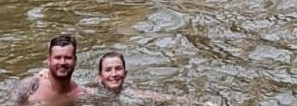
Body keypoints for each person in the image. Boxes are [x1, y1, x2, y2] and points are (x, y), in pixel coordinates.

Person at [86, 51, 216, 106]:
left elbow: (165, 97)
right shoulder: (91, 93)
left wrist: (198, 104)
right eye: (108, 70)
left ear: (125, 74)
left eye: (118, 69)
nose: (114, 74)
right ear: (100, 76)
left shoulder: (131, 92)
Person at [10, 34, 88, 105]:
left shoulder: (81, 93)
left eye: (68, 58)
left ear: (75, 61)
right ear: (49, 60)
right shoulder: (30, 86)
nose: (62, 62)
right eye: (57, 57)